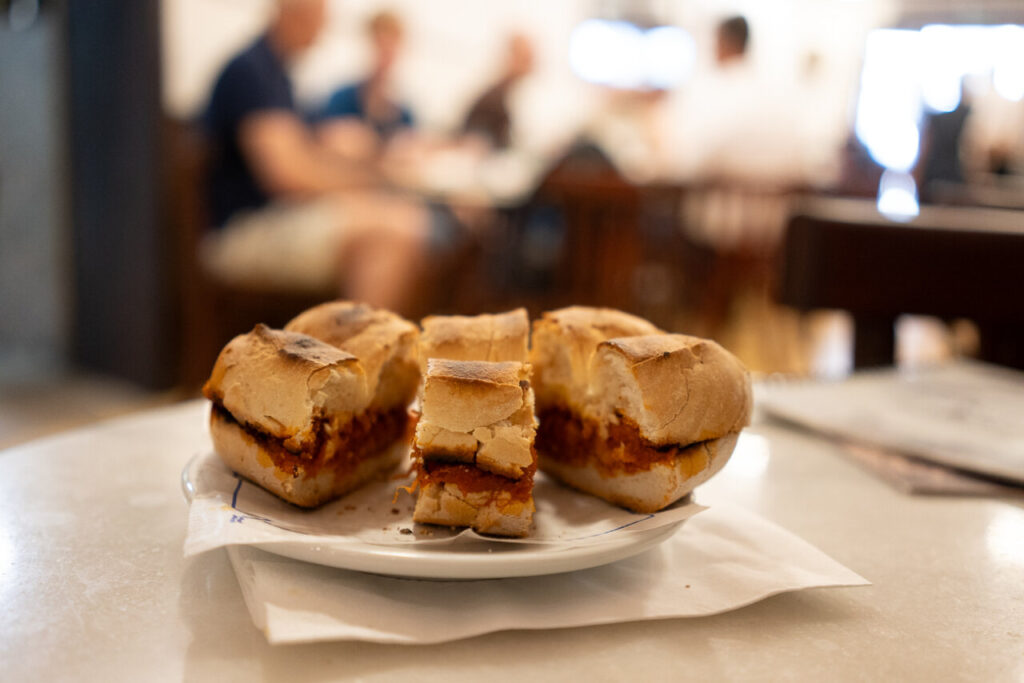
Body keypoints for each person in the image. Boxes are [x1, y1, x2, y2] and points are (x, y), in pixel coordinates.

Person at [201, 0, 430, 313]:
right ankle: (349, 357)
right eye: (319, 18)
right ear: (293, 10)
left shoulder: (278, 76)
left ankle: (353, 353)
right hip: (243, 231)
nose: (321, 31)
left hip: (276, 217)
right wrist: (371, 179)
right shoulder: (252, 70)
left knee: (402, 220)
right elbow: (287, 175)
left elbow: (303, 157)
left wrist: (335, 152)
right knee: (395, 231)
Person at [320, 10, 414, 142]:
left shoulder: (405, 116)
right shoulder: (340, 100)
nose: (385, 58)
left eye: (391, 49)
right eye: (380, 47)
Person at [461, 33, 535, 151]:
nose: (532, 65)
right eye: (526, 59)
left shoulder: (508, 97)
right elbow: (474, 146)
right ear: (510, 57)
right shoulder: (492, 100)